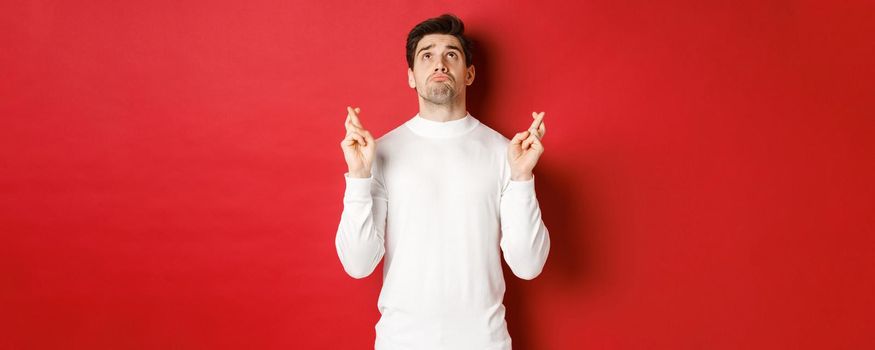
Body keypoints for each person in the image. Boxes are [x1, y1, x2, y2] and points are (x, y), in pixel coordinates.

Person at [335, 13, 550, 350]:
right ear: (411, 76)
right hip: (400, 342)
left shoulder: (503, 153)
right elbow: (358, 264)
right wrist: (359, 178)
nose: (439, 63)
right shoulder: (381, 152)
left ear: (469, 73)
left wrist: (522, 179)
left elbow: (528, 265)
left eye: (451, 54)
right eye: (426, 55)